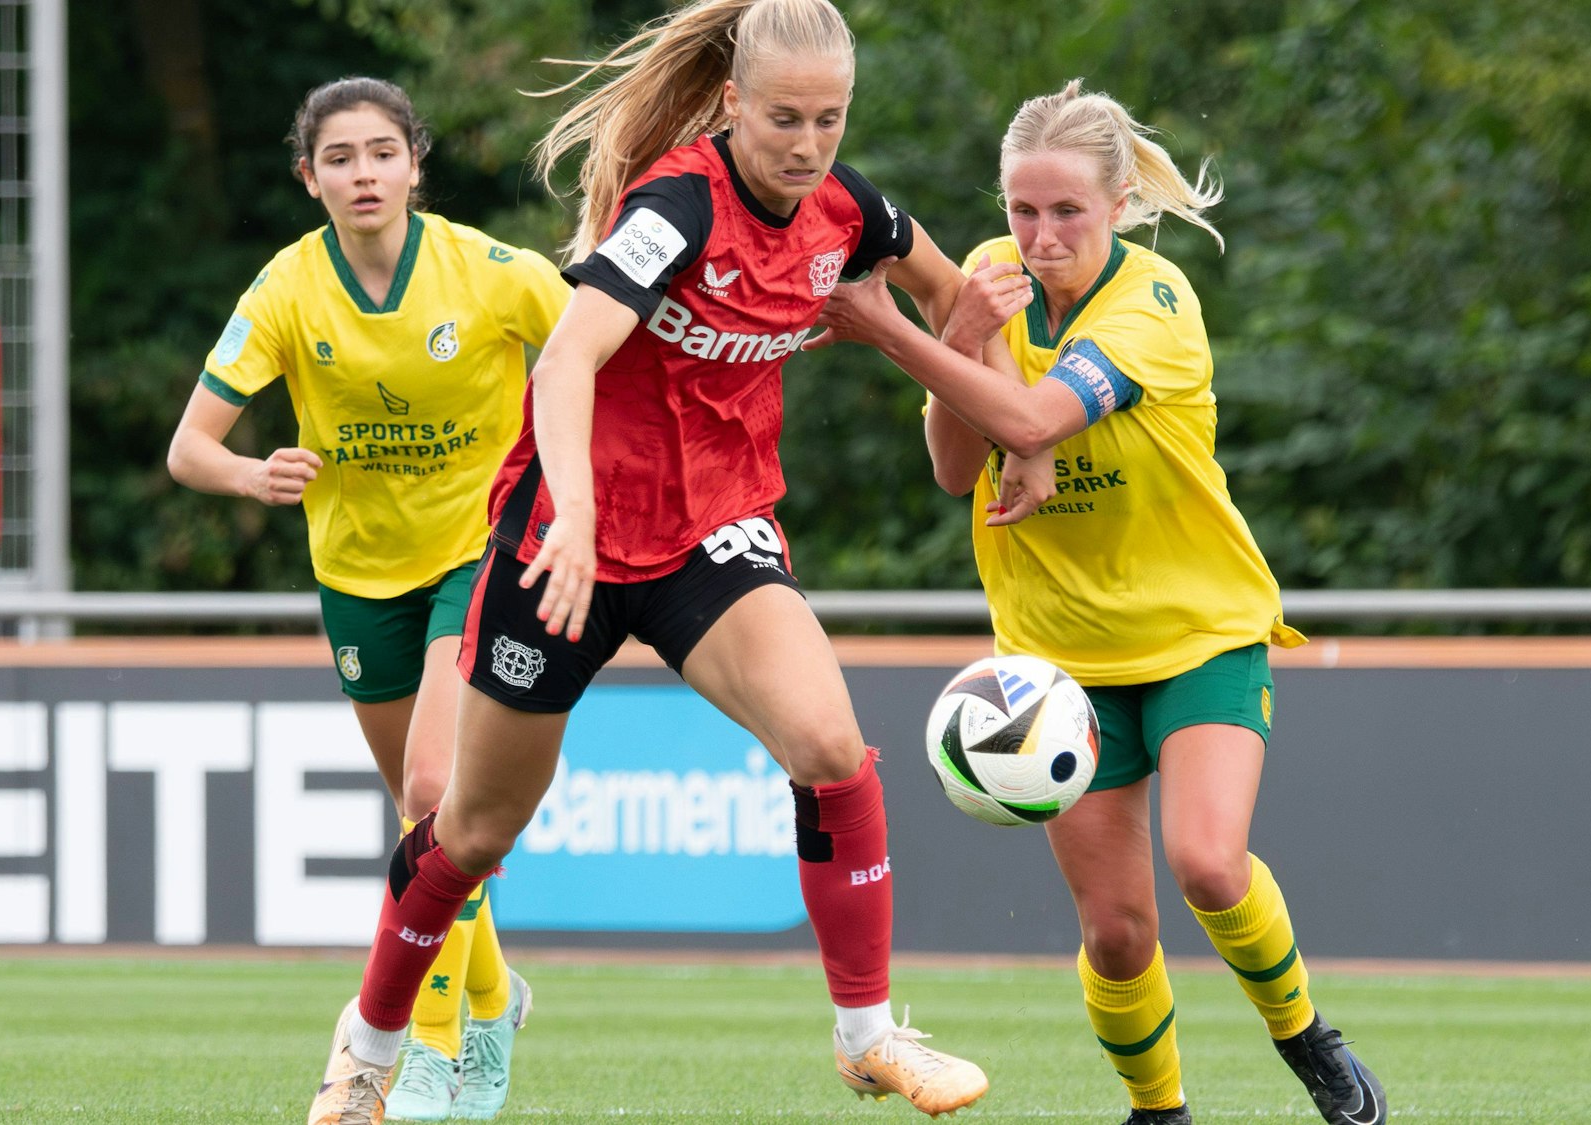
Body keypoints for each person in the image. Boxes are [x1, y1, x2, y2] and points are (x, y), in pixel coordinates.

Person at [304, 3, 996, 1123]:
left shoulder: (847, 209)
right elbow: (566, 361)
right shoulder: (674, 206)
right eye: (782, 117)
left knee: (829, 747)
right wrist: (571, 517)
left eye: (828, 118)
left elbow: (953, 297)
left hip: (710, 531)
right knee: (468, 830)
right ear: (731, 104)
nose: (806, 143)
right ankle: (369, 1053)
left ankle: (869, 1039)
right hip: (568, 542)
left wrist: (992, 418)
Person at [809, 80, 1388, 1125]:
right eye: (1020, 211)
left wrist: (892, 331)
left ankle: (1309, 1042)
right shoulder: (989, 276)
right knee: (1115, 931)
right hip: (1055, 662)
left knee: (1207, 864)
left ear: (1119, 203)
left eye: (1065, 211)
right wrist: (956, 336)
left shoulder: (1154, 302)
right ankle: (1156, 1113)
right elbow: (952, 466)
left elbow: (1031, 416)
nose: (1038, 236)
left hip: (1196, 632)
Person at [166, 76, 568, 1123]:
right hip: (355, 578)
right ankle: (491, 999)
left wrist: (576, 486)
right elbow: (190, 448)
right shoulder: (287, 289)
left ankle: (426, 1060)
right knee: (429, 828)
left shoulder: (491, 271)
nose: (363, 174)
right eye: (338, 158)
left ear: (413, 165)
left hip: (478, 554)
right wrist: (253, 475)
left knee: (435, 794)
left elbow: (596, 356)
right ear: (310, 178)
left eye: (380, 152)